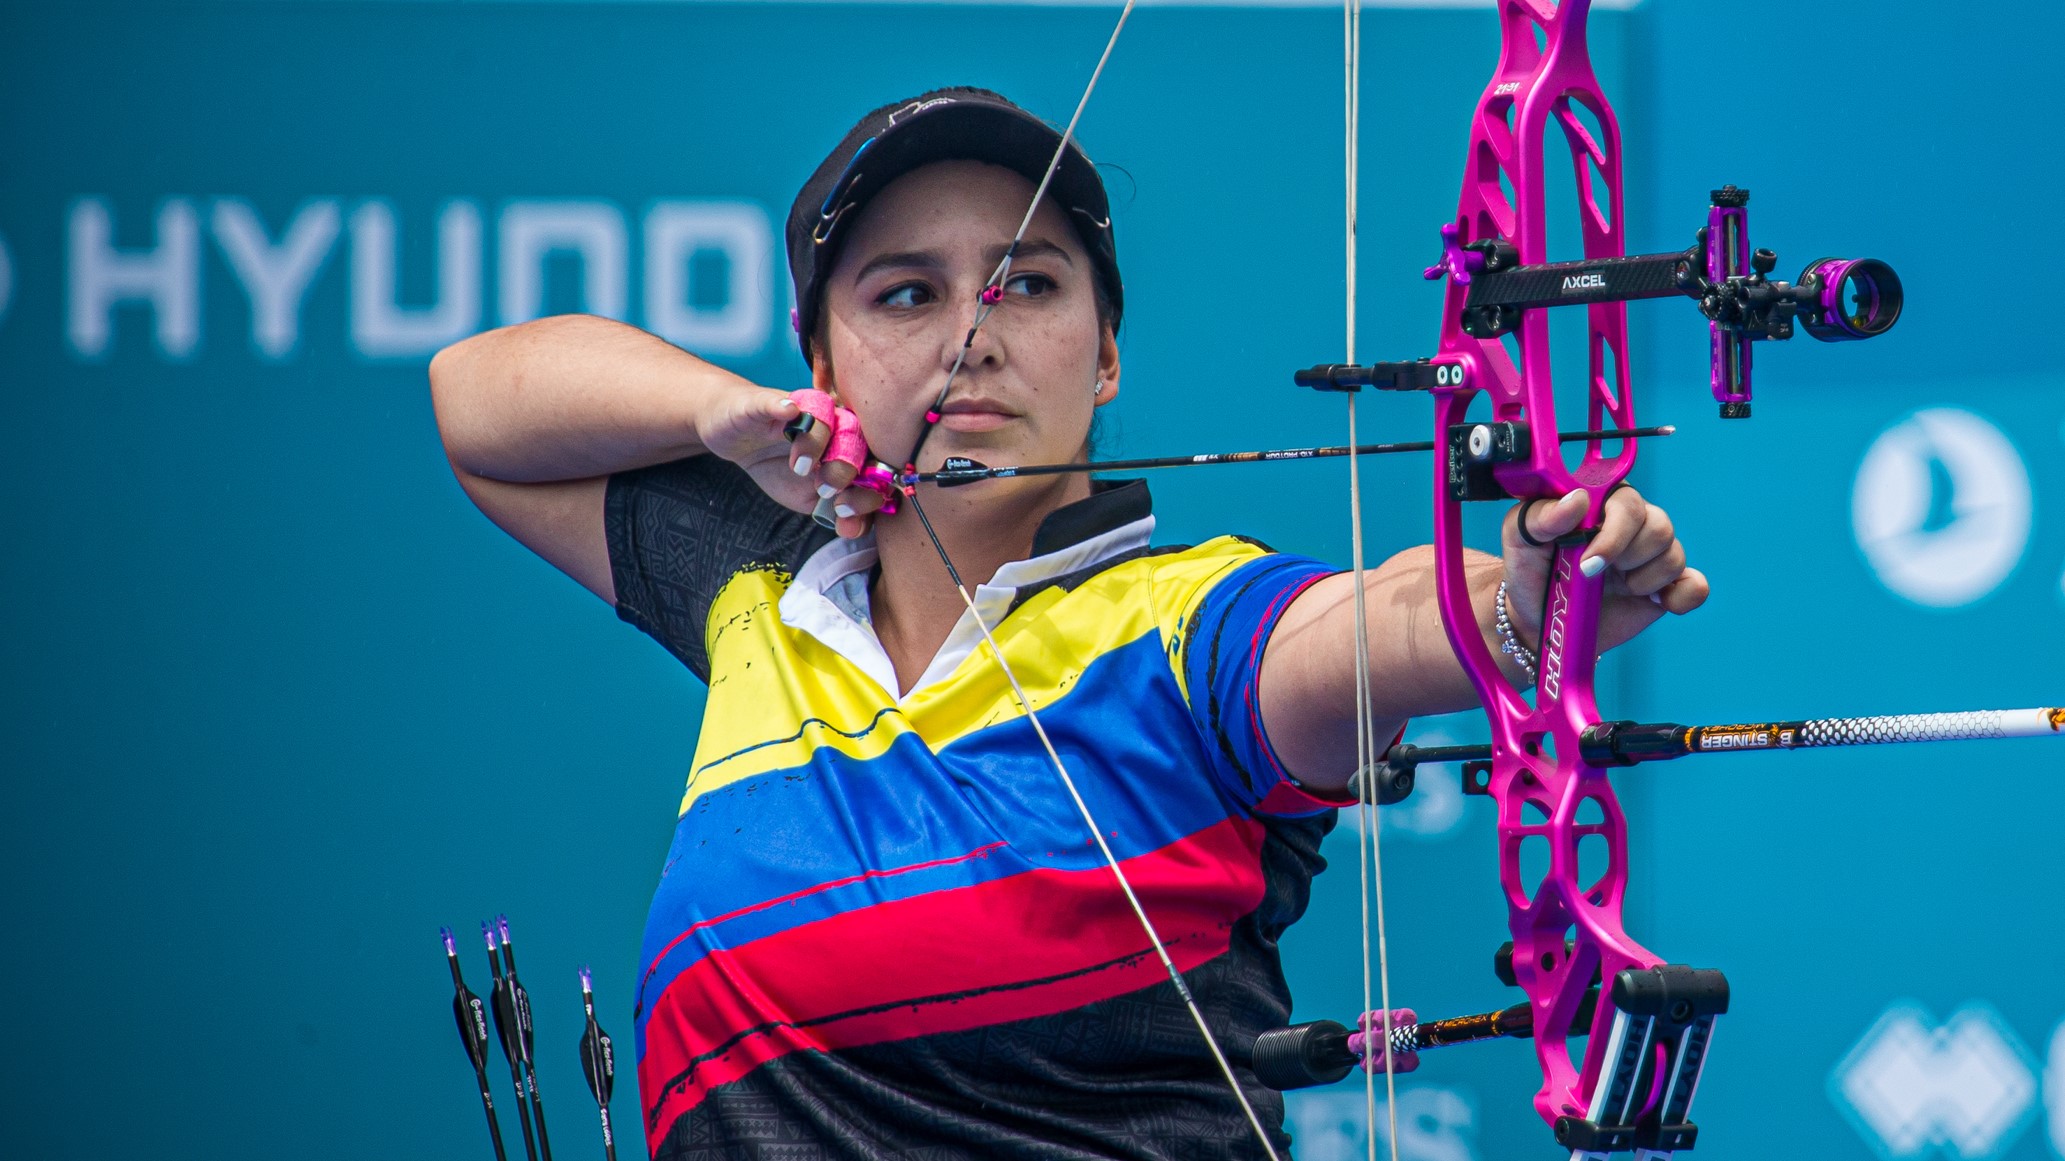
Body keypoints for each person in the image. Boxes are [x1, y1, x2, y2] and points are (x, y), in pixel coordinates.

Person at [428, 87, 1707, 1161]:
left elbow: (1369, 624)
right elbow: (475, 405)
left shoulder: (1185, 625)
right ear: (821, 361)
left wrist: (1527, 600)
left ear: (1104, 355)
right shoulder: (761, 595)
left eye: (1025, 282)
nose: (970, 337)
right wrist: (717, 413)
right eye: (905, 296)